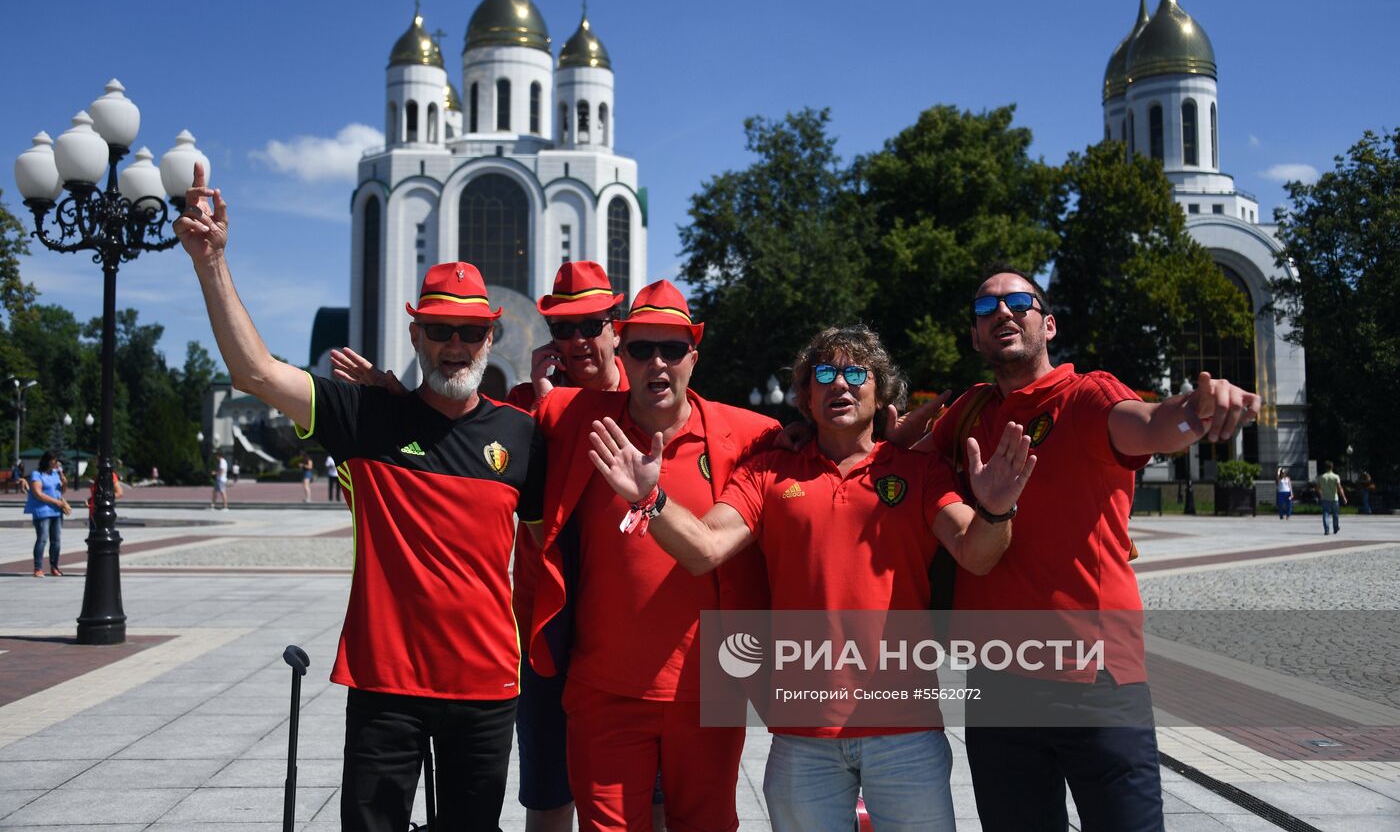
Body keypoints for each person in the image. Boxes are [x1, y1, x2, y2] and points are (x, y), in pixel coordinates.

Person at [175, 166, 545, 831]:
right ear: (416, 336)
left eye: (468, 331)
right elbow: (253, 370)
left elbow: (551, 552)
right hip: (386, 687)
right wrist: (213, 262)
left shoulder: (521, 437)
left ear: (492, 336)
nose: (454, 345)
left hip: (487, 687)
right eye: (439, 329)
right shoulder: (364, 418)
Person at [587, 324, 1037, 831]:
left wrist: (997, 511)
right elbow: (704, 549)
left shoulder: (917, 472)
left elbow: (975, 554)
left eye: (854, 373)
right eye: (824, 374)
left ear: (880, 390)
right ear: (805, 395)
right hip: (803, 736)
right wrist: (651, 499)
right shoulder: (768, 472)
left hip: (905, 731)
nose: (839, 384)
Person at [922, 267, 1259, 832]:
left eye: (1019, 302)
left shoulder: (1084, 396)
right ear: (976, 337)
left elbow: (1151, 423)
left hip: (1094, 684)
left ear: (1047, 324)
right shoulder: (971, 413)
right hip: (998, 683)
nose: (1003, 313)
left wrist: (1196, 413)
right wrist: (802, 436)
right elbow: (897, 460)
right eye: (986, 310)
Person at [332, 259, 631, 832]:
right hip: (539, 630)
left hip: (624, 625)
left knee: (640, 792)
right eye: (562, 328)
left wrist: (792, 433)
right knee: (546, 789)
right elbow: (449, 428)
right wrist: (394, 401)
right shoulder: (522, 404)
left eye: (590, 324)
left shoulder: (653, 399)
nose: (576, 340)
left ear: (615, 326)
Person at [528, 279, 779, 832]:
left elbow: (833, 444)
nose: (657, 363)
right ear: (622, 351)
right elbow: (471, 419)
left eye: (673, 348)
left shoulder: (749, 433)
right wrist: (393, 398)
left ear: (695, 354)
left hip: (709, 690)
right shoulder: (575, 416)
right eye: (642, 348)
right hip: (603, 689)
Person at [26, 452, 71, 577]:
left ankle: (54, 567)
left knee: (56, 541)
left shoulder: (56, 474)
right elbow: (38, 494)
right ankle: (38, 568)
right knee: (42, 539)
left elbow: (61, 491)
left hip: (56, 512)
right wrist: (56, 502)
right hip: (42, 511)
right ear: (48, 461)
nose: (57, 463)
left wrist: (65, 482)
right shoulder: (37, 474)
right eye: (55, 461)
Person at [1316, 460, 1346, 535]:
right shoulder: (1336, 477)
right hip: (1334, 498)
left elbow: (1317, 489)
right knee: (1335, 514)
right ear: (1332, 467)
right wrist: (1344, 497)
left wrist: (1321, 494)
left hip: (1325, 498)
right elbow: (1340, 488)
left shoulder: (1321, 477)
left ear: (1325, 467)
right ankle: (1335, 527)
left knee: (1325, 514)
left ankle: (1326, 529)